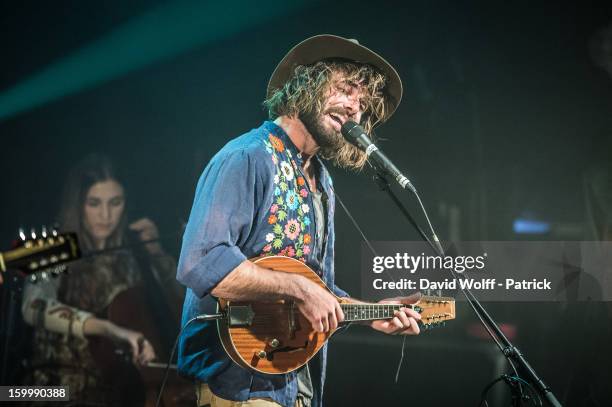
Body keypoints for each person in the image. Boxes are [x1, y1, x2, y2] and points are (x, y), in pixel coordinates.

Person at [176, 35, 422, 407]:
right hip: (239, 384)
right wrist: (301, 290)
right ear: (305, 83)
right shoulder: (248, 157)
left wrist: (371, 312)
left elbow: (311, 286)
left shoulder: (321, 180)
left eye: (362, 100)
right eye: (344, 88)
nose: (354, 106)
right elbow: (201, 262)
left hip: (295, 384)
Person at [21, 154, 179, 406]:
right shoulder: (56, 244)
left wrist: (157, 253)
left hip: (119, 391)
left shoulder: (134, 249)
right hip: (54, 388)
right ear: (78, 204)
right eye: (94, 203)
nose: (105, 215)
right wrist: (107, 328)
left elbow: (179, 305)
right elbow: (33, 307)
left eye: (115, 202)